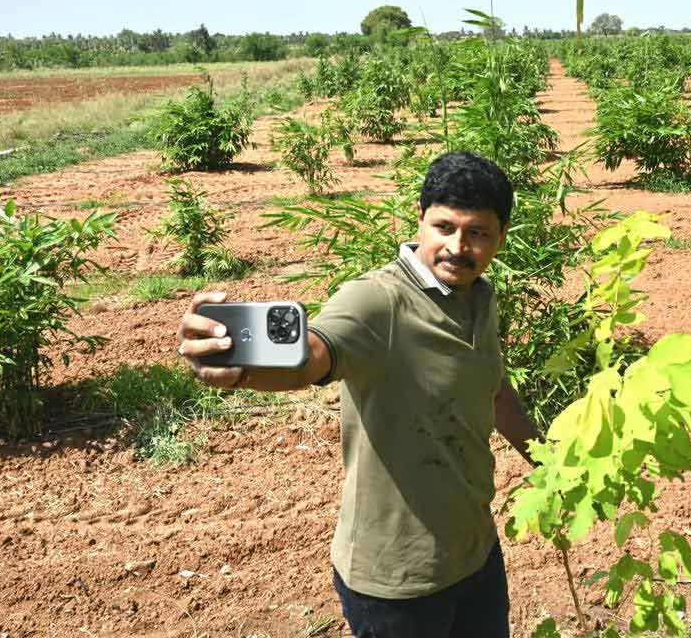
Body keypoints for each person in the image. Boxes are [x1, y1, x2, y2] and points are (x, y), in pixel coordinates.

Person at [175, 152, 540, 637]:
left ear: (500, 237)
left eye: (478, 233)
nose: (458, 246)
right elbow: (313, 355)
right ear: (420, 219)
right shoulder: (377, 301)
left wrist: (550, 459)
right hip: (398, 582)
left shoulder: (480, 298)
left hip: (475, 555)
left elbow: (493, 392)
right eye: (444, 227)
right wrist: (243, 370)